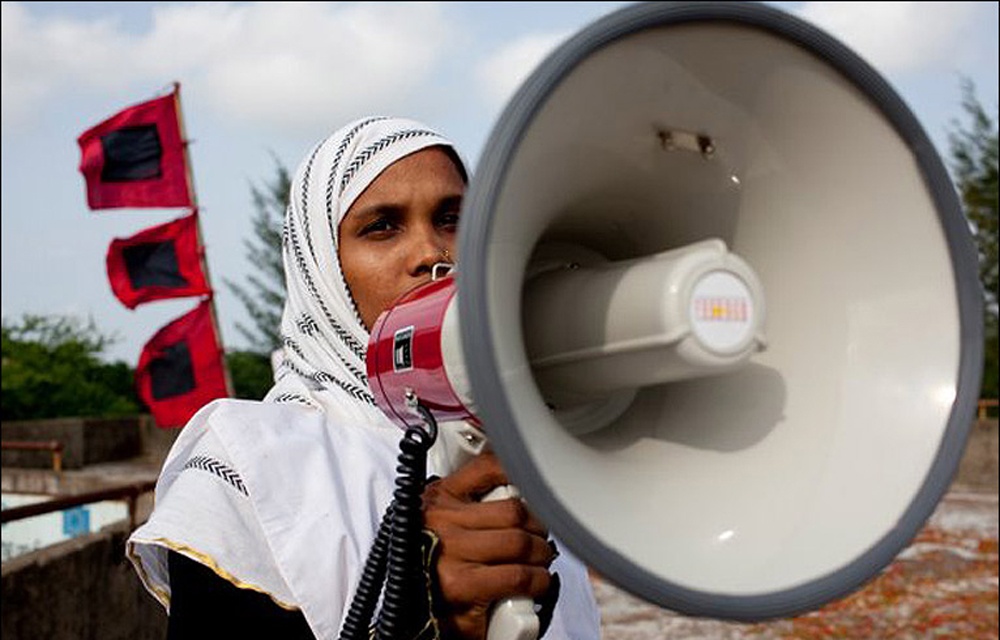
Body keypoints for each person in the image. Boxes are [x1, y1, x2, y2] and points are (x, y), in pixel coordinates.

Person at [127, 116, 602, 639]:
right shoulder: (249, 462)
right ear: (321, 269)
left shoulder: (526, 441)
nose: (432, 254)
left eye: (453, 219)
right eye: (382, 226)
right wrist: (423, 614)